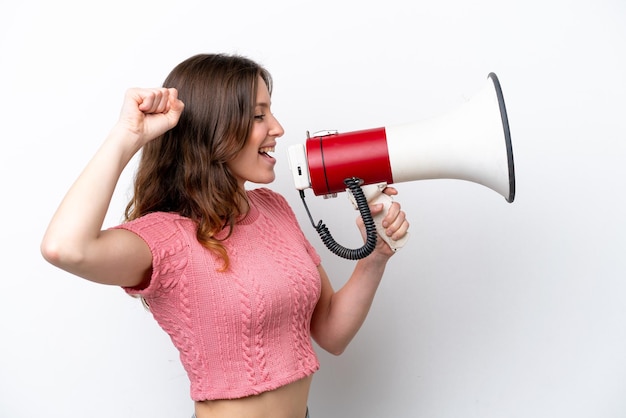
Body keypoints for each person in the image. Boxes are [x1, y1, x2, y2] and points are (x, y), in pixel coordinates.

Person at [41, 53, 409, 418]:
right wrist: (127, 135)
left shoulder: (274, 208)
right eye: (258, 115)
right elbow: (64, 249)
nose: (278, 128)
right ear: (212, 129)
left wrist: (374, 257)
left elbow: (331, 333)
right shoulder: (166, 238)